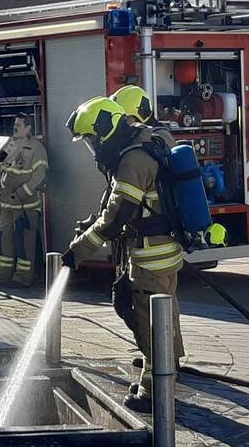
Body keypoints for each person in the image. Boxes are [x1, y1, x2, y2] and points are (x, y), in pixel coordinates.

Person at [61, 97, 185, 413]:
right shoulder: (150, 139)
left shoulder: (132, 161)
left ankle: (156, 394)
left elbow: (118, 217)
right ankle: (154, 378)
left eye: (91, 139)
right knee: (164, 317)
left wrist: (78, 251)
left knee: (149, 324)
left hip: (148, 256)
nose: (91, 147)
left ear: (106, 131)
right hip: (166, 250)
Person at [0, 113, 48, 287]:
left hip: (26, 205)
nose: (15, 127)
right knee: (4, 238)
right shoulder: (10, 145)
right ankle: (2, 273)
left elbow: (41, 174)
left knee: (25, 241)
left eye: (19, 125)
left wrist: (24, 192)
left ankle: (23, 277)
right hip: (7, 203)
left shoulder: (37, 148)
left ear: (28, 128)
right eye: (14, 124)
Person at [110, 85, 175, 149]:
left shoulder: (160, 138)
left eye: (124, 118)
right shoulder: (128, 138)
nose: (117, 123)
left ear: (139, 114)